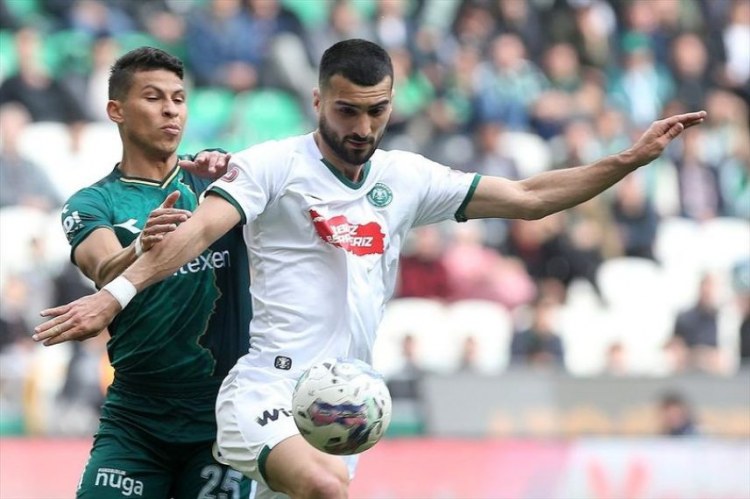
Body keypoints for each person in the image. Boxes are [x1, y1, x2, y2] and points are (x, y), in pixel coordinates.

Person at [33, 39, 707, 499]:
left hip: (343, 404)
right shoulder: (271, 166)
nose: (362, 126)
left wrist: (626, 160)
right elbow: (199, 229)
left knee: (327, 482)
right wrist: (114, 296)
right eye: (347, 109)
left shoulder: (407, 178)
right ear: (318, 101)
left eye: (376, 110)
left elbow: (528, 196)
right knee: (327, 487)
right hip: (262, 390)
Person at [43, 47, 252, 498]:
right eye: (154, 97)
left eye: (179, 99)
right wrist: (141, 244)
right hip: (135, 420)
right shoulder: (93, 202)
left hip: (222, 418)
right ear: (116, 110)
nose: (170, 110)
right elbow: (103, 270)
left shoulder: (222, 184)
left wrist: (234, 168)